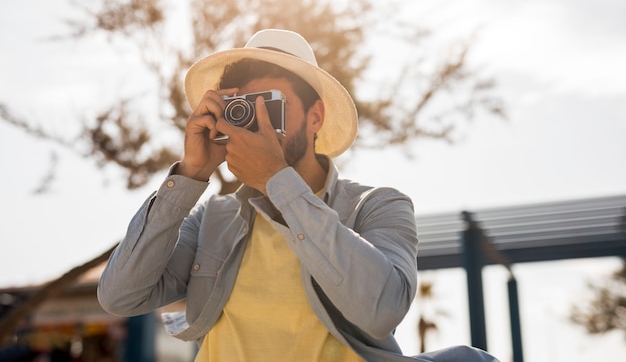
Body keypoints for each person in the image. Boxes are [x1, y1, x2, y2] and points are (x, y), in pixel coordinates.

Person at [98, 29, 499, 362]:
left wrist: (279, 182)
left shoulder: (378, 205)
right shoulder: (211, 218)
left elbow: (381, 310)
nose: (259, 122)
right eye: (244, 107)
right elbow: (119, 296)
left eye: (272, 106)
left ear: (316, 117)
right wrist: (190, 175)